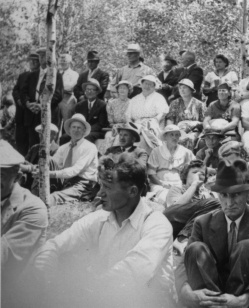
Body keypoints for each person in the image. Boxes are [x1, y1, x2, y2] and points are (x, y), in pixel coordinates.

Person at [33, 153, 175, 308]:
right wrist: (45, 275)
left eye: (107, 187)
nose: (99, 193)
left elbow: (131, 273)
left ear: (133, 192)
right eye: (100, 186)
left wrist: (81, 293)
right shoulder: (100, 218)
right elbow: (54, 245)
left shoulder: (156, 224)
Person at [176, 159, 249, 308]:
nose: (229, 202)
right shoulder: (203, 222)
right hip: (213, 290)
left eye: (235, 195)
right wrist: (186, 292)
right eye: (224, 195)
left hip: (248, 296)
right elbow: (184, 264)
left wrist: (246, 299)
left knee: (247, 247)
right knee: (194, 249)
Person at [1, 140, 48, 307]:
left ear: (18, 178)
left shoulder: (32, 209)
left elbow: (2, 254)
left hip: (14, 294)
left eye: (1, 175)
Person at [45, 113, 99, 207]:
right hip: (65, 181)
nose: (76, 130)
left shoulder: (90, 147)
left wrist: (49, 174)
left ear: (84, 131)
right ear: (69, 130)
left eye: (79, 128)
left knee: (53, 198)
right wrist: (36, 169)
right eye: (73, 127)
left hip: (83, 184)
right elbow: (54, 163)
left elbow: (76, 170)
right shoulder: (64, 147)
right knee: (48, 160)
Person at [20, 47, 63, 155]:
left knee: (48, 143)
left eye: (45, 55)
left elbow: (58, 95)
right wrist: (28, 104)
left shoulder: (56, 75)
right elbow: (23, 92)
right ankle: (33, 168)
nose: (42, 58)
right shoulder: (31, 75)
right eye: (40, 56)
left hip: (49, 113)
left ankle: (49, 169)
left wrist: (42, 106)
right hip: (32, 114)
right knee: (33, 144)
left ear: (51, 57)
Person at [147, 124, 195, 205]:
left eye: (177, 135)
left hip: (179, 184)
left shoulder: (185, 152)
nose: (174, 137)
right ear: (165, 136)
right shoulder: (156, 151)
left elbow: (194, 167)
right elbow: (151, 174)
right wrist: (162, 184)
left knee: (182, 201)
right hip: (159, 184)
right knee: (163, 199)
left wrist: (186, 183)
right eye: (171, 134)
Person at [127, 75, 169, 153]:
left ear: (154, 87)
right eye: (146, 83)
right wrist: (132, 125)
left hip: (152, 123)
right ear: (141, 85)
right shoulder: (134, 99)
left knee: (146, 136)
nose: (147, 86)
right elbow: (128, 116)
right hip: (136, 125)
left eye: (150, 84)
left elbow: (163, 113)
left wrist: (154, 120)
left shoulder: (159, 97)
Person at [61, 78, 109, 144]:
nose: (90, 92)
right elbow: (76, 119)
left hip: (95, 132)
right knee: (64, 137)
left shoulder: (103, 105)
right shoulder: (80, 105)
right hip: (81, 130)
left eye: (93, 90)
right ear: (85, 91)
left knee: (87, 137)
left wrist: (85, 131)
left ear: (97, 92)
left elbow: (100, 124)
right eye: (88, 89)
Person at [13, 52, 41, 154]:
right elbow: (15, 90)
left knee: (33, 140)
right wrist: (19, 100)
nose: (33, 63)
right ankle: (21, 160)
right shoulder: (23, 75)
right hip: (22, 112)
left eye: (36, 61)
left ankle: (32, 161)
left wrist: (30, 103)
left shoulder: (41, 76)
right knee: (20, 139)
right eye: (31, 61)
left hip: (33, 112)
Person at [20, 124, 60, 191]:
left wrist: (32, 168)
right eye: (40, 133)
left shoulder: (57, 150)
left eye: (45, 134)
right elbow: (24, 161)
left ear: (54, 136)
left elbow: (52, 167)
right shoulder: (35, 147)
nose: (41, 136)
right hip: (29, 180)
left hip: (46, 184)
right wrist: (32, 168)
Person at [103, 80, 132, 148]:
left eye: (124, 88)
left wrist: (121, 126)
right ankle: (107, 157)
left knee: (118, 139)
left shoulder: (132, 103)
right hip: (114, 129)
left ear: (129, 90)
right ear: (117, 90)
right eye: (120, 88)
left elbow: (132, 121)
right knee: (108, 136)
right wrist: (114, 126)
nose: (122, 90)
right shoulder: (111, 103)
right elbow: (110, 121)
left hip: (128, 129)